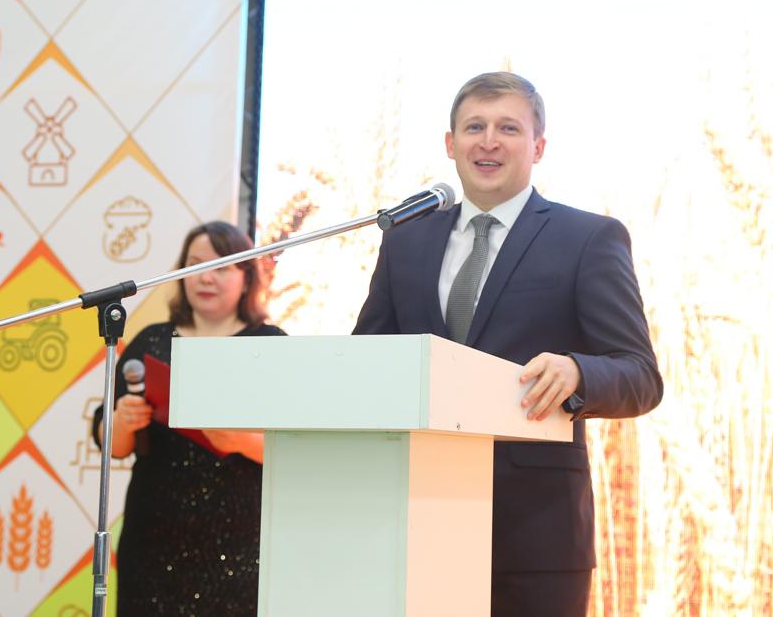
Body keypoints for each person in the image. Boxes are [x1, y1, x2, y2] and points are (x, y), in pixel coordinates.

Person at [353, 72, 663, 616]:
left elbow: (640, 376)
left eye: (508, 128)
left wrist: (578, 372)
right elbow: (368, 359)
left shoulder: (587, 238)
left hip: (536, 533)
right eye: (474, 127)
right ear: (450, 144)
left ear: (538, 147)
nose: (489, 141)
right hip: (412, 522)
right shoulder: (405, 240)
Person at [93, 221, 285, 616]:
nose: (205, 277)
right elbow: (111, 444)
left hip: (241, 541)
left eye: (221, 267)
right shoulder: (152, 340)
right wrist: (121, 422)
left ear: (246, 277)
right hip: (153, 536)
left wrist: (240, 440)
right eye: (195, 265)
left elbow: (297, 448)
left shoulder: (270, 346)